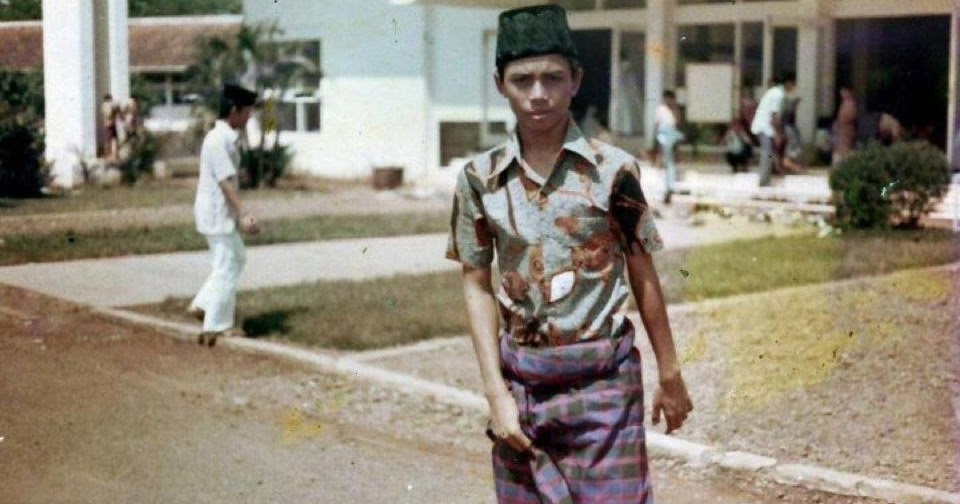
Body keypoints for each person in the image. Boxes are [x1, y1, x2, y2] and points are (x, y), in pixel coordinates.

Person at [446, 5, 693, 503]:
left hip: (604, 388)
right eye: (522, 80)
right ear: (500, 85)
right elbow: (476, 284)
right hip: (523, 391)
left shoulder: (614, 171)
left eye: (553, 78)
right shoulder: (478, 179)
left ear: (575, 81)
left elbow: (642, 272)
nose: (538, 94)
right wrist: (496, 395)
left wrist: (669, 373)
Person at [187, 84, 261, 347]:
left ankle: (202, 304)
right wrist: (244, 214)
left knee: (234, 259)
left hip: (217, 212)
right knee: (228, 264)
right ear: (233, 111)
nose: (249, 117)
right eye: (246, 112)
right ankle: (216, 325)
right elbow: (225, 181)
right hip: (215, 212)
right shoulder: (218, 140)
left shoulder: (225, 137)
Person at [750, 72, 796, 186]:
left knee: (770, 153)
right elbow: (774, 117)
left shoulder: (774, 92)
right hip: (765, 127)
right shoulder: (778, 94)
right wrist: (777, 135)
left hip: (765, 127)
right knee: (767, 154)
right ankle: (763, 181)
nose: (794, 88)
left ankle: (768, 177)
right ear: (789, 83)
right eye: (793, 85)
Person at [654, 89, 684, 203]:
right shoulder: (660, 109)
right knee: (668, 162)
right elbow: (657, 125)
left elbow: (678, 123)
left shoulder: (674, 110)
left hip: (672, 134)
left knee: (670, 162)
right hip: (663, 134)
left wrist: (674, 110)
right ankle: (669, 187)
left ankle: (670, 187)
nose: (668, 101)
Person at [832, 86, 857, 166]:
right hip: (840, 142)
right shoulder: (844, 104)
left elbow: (850, 116)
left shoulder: (850, 104)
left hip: (846, 139)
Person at [100, 94, 120, 161]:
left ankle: (107, 155)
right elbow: (117, 112)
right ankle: (115, 155)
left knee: (107, 140)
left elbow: (105, 114)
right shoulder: (113, 105)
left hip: (107, 124)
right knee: (114, 139)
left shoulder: (104, 105)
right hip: (113, 123)